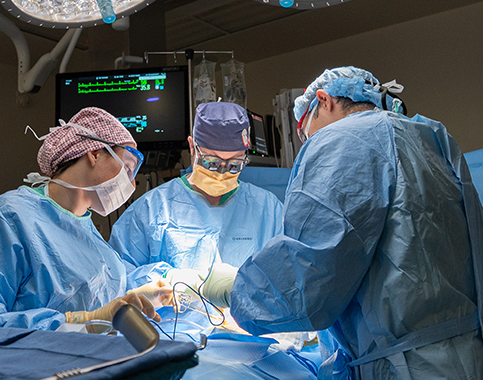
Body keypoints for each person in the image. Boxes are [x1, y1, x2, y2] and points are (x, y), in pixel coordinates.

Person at [200, 67, 483, 379]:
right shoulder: (429, 137)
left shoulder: (342, 141)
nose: (308, 141)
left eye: (304, 132)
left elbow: (308, 278)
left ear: (324, 100)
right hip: (464, 355)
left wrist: (237, 290)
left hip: (406, 367)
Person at [0, 107, 172, 330]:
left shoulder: (86, 232)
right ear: (95, 153)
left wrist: (142, 294)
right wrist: (80, 322)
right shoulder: (7, 217)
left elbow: (100, 298)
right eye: (128, 166)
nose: (131, 182)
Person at [109, 102, 283, 294]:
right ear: (192, 147)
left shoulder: (268, 210)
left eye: (234, 164)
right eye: (211, 162)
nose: (221, 172)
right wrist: (166, 281)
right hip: (174, 322)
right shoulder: (151, 210)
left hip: (243, 323)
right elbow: (117, 278)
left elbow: (287, 278)